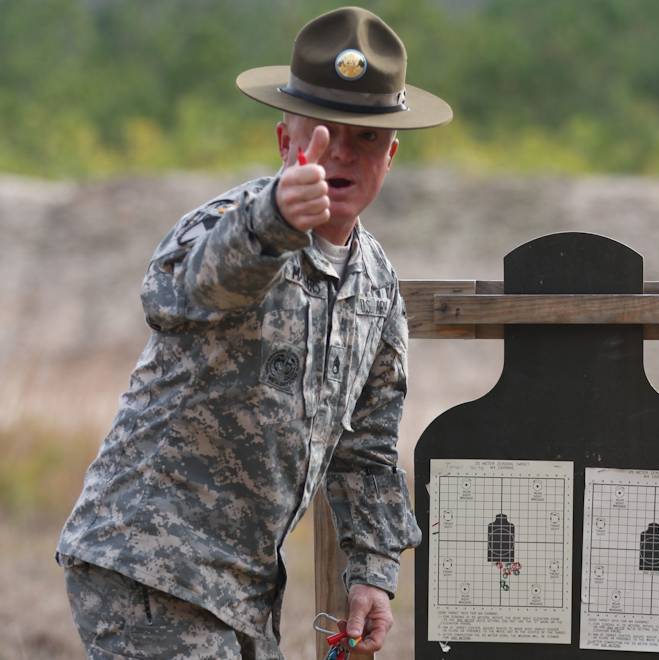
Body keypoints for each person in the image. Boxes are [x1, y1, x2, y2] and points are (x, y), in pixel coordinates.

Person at [56, 6, 452, 659]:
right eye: (325, 133)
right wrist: (270, 222)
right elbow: (178, 292)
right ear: (284, 141)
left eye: (367, 139)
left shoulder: (375, 284)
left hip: (242, 590)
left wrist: (372, 574)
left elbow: (368, 447)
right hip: (147, 564)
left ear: (391, 156)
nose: (343, 154)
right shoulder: (235, 223)